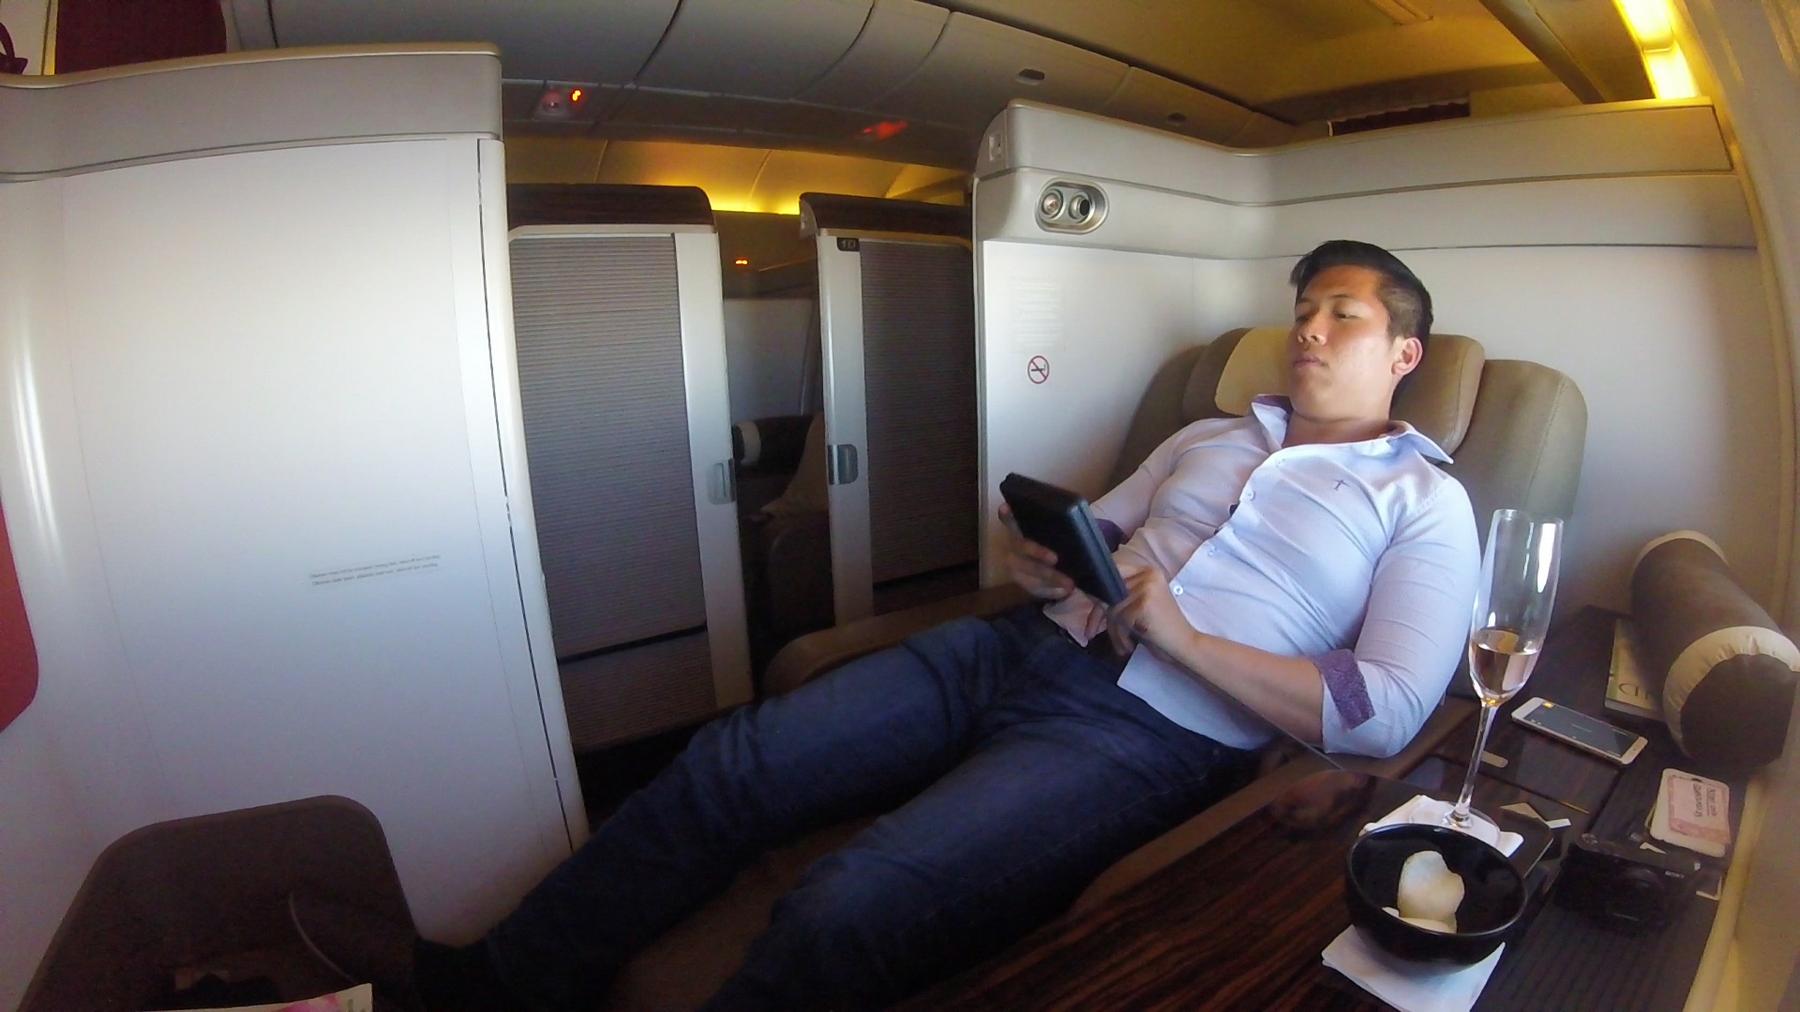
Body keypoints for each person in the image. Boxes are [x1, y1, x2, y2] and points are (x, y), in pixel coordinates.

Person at [298, 239, 1479, 1011]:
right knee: (731, 758)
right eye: (1303, 310)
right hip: (1014, 652)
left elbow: (1380, 714)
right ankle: (488, 989)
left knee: (844, 905)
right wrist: (1040, 564)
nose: (1309, 329)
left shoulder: (1423, 500)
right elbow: (1097, 540)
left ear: (1405, 354)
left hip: (1144, 737)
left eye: (1344, 315)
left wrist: (1183, 640)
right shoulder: (1212, 434)